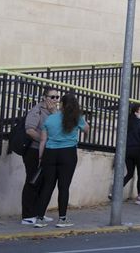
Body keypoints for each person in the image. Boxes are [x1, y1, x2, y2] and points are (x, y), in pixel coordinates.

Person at [33, 93, 89, 228]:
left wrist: (41, 158)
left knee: (47, 186)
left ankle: (40, 218)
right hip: (68, 153)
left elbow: (43, 140)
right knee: (64, 187)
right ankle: (62, 219)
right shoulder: (76, 118)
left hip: (49, 153)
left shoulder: (50, 119)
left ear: (62, 104)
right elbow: (86, 128)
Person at [20, 87, 59, 225]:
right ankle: (27, 215)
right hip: (34, 151)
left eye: (57, 97)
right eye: (52, 97)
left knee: (44, 183)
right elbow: (30, 130)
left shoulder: (55, 113)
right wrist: (44, 140)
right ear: (44, 97)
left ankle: (38, 213)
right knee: (32, 181)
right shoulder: (37, 110)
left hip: (48, 151)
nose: (55, 100)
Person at [122, 104, 140, 204]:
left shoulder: (127, 122)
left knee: (129, 173)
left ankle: (115, 191)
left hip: (128, 150)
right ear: (136, 112)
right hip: (138, 151)